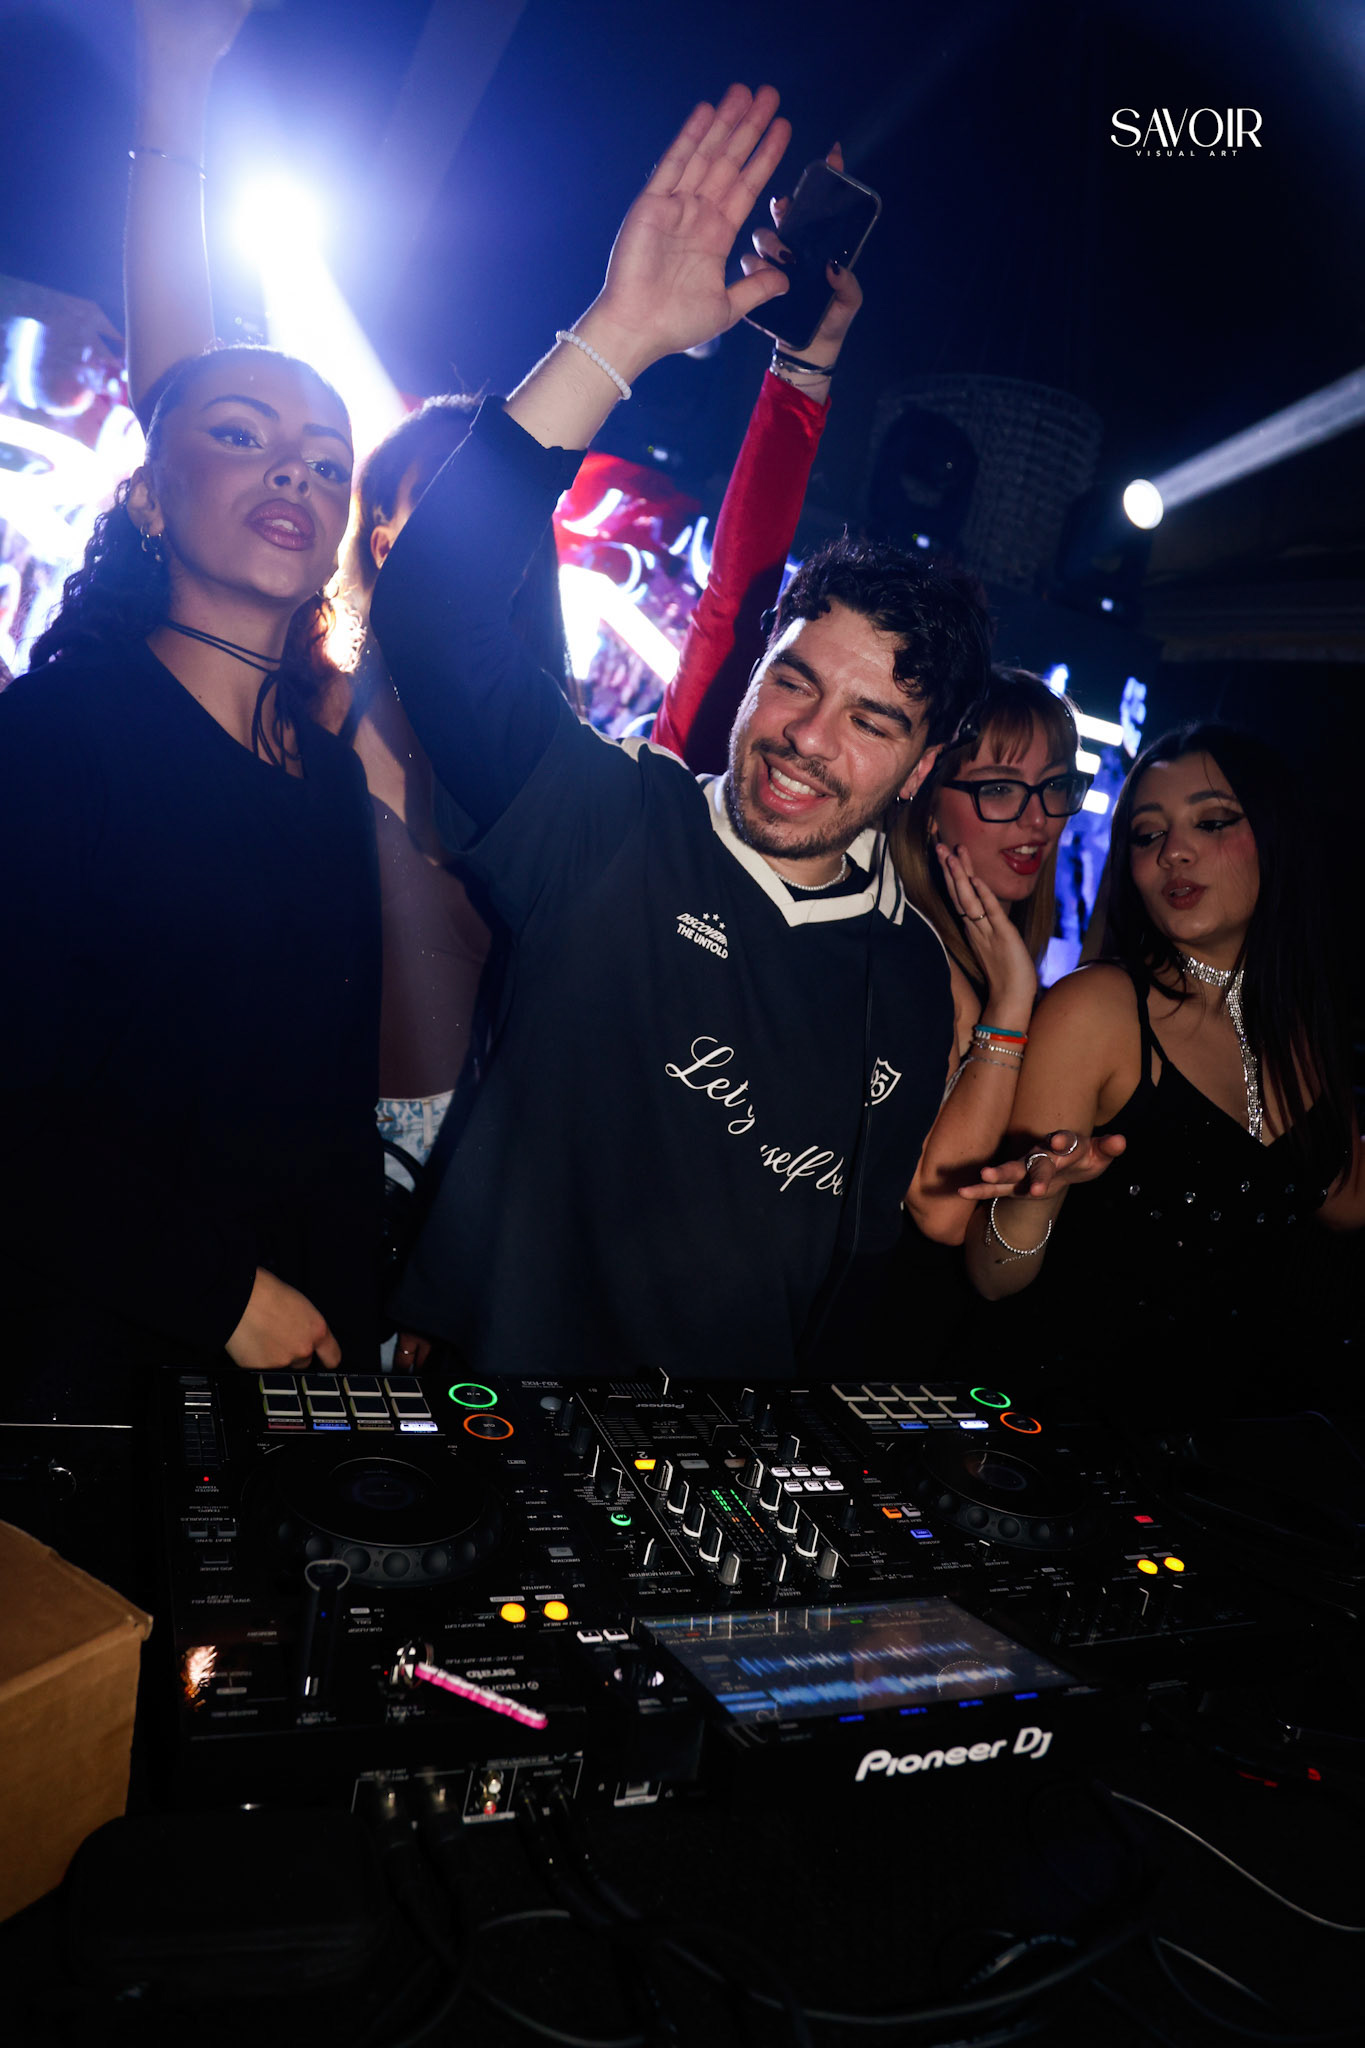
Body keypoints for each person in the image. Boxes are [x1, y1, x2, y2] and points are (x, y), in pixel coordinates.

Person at [370, 85, 992, 1378]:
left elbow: (849, 1277)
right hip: (503, 1431)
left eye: (871, 719)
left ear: (923, 766)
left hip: (728, 1473)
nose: (805, 736)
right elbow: (434, 613)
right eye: (793, 682)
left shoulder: (907, 977)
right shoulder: (609, 819)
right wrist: (619, 335)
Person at [0, 342, 382, 1410]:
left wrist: (353, 1350)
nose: (293, 471)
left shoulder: (333, 782)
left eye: (326, 463)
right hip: (78, 1373)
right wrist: (222, 1295)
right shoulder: (53, 735)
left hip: (294, 1379)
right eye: (240, 434)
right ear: (148, 499)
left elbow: (337, 1109)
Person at [958, 723, 1364, 1405]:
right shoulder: (1097, 1009)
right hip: (1083, 1428)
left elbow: (1344, 1205)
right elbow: (991, 1278)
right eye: (1147, 834)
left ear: (1277, 835)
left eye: (1212, 822)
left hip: (1253, 1436)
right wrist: (1035, 1202)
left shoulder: (1303, 1021)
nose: (1173, 851)